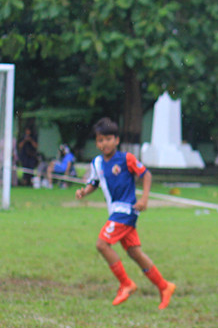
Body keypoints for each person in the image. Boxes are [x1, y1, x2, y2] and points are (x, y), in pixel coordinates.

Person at [75, 118, 176, 310]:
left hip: (126, 211)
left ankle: (126, 284)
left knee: (102, 244)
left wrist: (144, 199)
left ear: (117, 140)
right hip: (116, 212)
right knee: (134, 252)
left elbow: (146, 174)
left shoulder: (126, 159)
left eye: (108, 139)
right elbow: (94, 183)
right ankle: (165, 286)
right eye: (100, 140)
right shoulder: (97, 163)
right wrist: (84, 191)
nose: (104, 143)